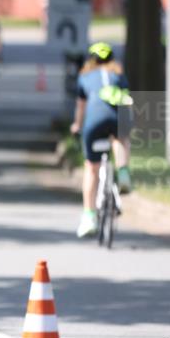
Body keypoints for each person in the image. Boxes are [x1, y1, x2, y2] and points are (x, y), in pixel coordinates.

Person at [70, 42, 133, 238]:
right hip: (116, 119)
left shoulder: (85, 76)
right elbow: (125, 101)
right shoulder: (118, 75)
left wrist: (76, 126)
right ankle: (123, 172)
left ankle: (89, 216)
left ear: (91, 60)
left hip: (94, 122)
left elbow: (81, 107)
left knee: (91, 167)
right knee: (120, 138)